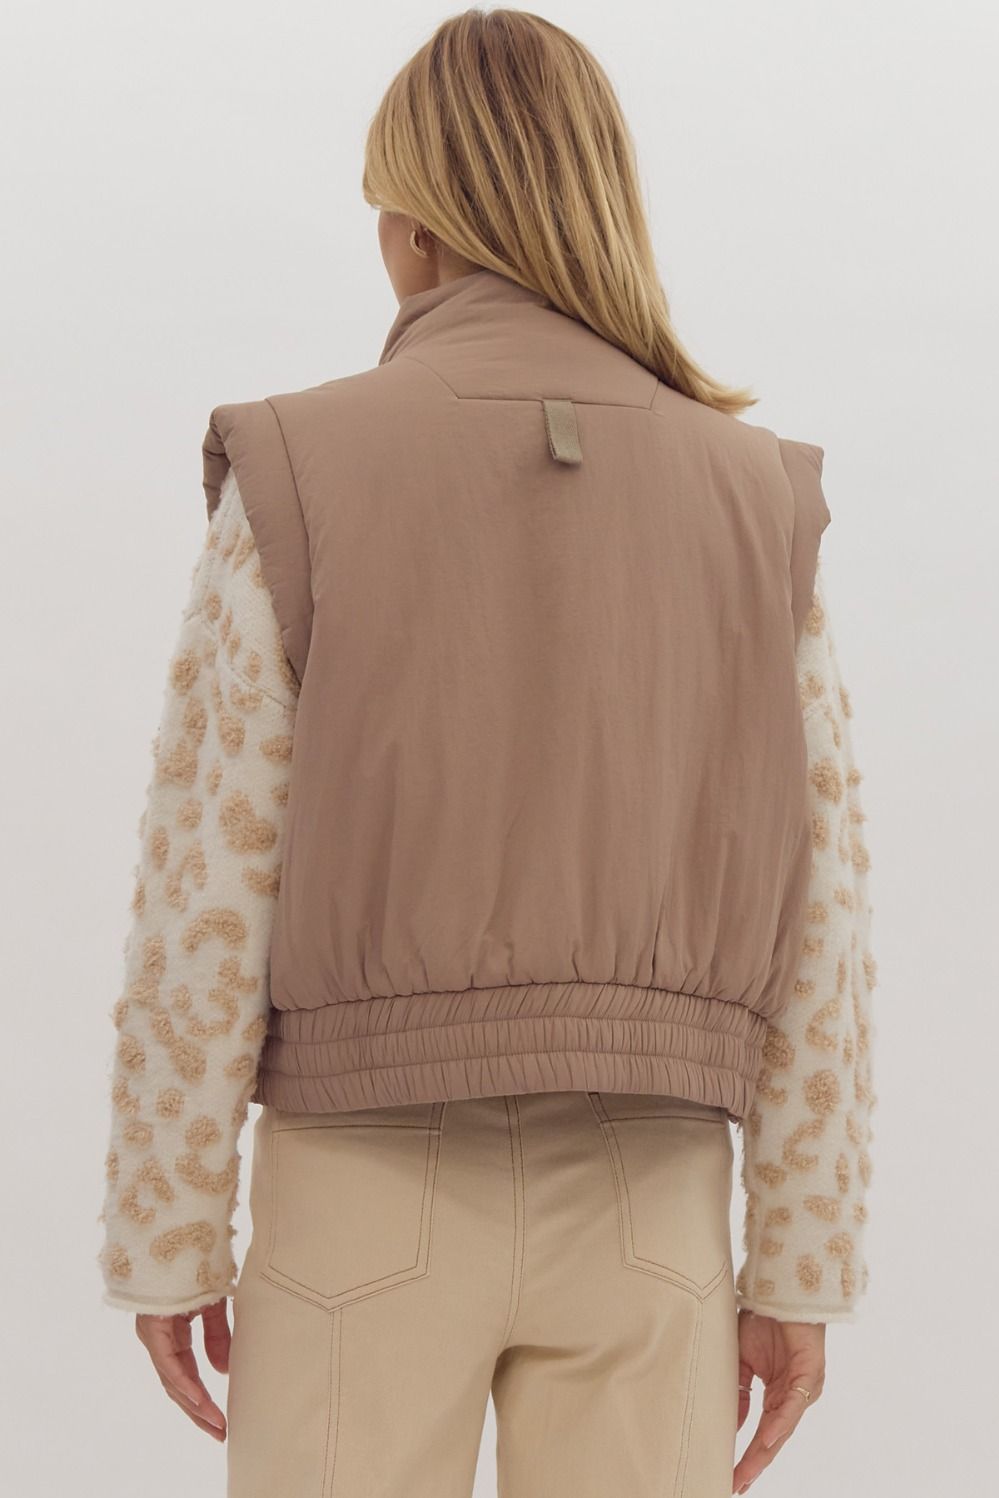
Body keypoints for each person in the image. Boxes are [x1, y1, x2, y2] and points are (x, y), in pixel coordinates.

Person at [96, 9, 877, 1497]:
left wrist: (169, 1228)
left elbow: (209, 871)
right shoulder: (754, 494)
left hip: (361, 1192)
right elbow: (820, 899)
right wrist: (801, 1258)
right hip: (655, 1201)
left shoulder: (300, 467)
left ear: (416, 226)